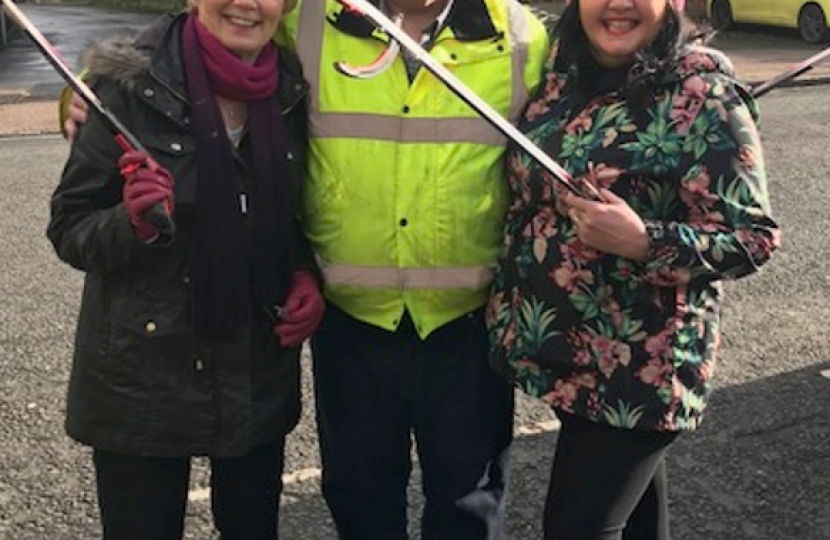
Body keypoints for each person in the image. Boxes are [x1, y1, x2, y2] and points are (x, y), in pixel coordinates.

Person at [62, 1, 550, 537]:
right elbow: (179, 54)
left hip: (463, 328)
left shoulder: (523, 36)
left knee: (467, 515)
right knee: (362, 506)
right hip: (349, 331)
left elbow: (590, 100)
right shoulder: (311, 23)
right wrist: (85, 85)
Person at [486, 0, 780, 538]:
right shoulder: (562, 77)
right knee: (639, 517)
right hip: (570, 357)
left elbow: (753, 237)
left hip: (637, 372)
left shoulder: (703, 95)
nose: (617, 3)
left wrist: (646, 241)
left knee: (577, 526)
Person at [47, 0, 324, 539]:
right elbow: (70, 225)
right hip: (142, 379)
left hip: (254, 369)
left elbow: (284, 213)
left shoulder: (293, 85)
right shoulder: (125, 83)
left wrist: (303, 272)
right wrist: (133, 224)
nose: (247, 3)